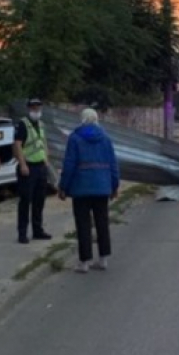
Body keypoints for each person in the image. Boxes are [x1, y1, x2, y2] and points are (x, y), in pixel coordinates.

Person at [58, 108, 119, 273]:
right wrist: (114, 186)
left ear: (82, 120)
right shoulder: (106, 139)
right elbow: (113, 164)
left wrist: (63, 187)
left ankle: (84, 262)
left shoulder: (75, 138)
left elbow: (69, 165)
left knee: (83, 225)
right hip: (102, 188)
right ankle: (103, 259)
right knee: (102, 223)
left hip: (81, 189)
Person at [13, 98, 53, 243]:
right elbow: (17, 145)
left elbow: (43, 143)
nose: (36, 110)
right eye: (33, 108)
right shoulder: (23, 124)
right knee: (25, 201)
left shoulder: (41, 124)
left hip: (40, 166)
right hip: (28, 167)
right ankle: (22, 233)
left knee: (39, 201)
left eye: (38, 107)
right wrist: (22, 164)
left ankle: (38, 230)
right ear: (29, 108)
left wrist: (46, 160)